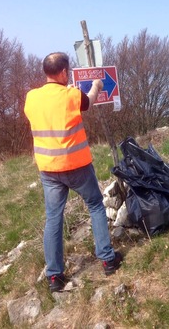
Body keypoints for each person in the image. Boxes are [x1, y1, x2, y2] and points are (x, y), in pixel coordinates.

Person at [23, 52, 123, 293]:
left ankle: (55, 276)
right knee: (96, 205)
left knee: (53, 217)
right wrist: (98, 85)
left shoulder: (31, 97)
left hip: (48, 169)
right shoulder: (70, 94)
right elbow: (87, 101)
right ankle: (107, 259)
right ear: (65, 73)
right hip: (76, 165)